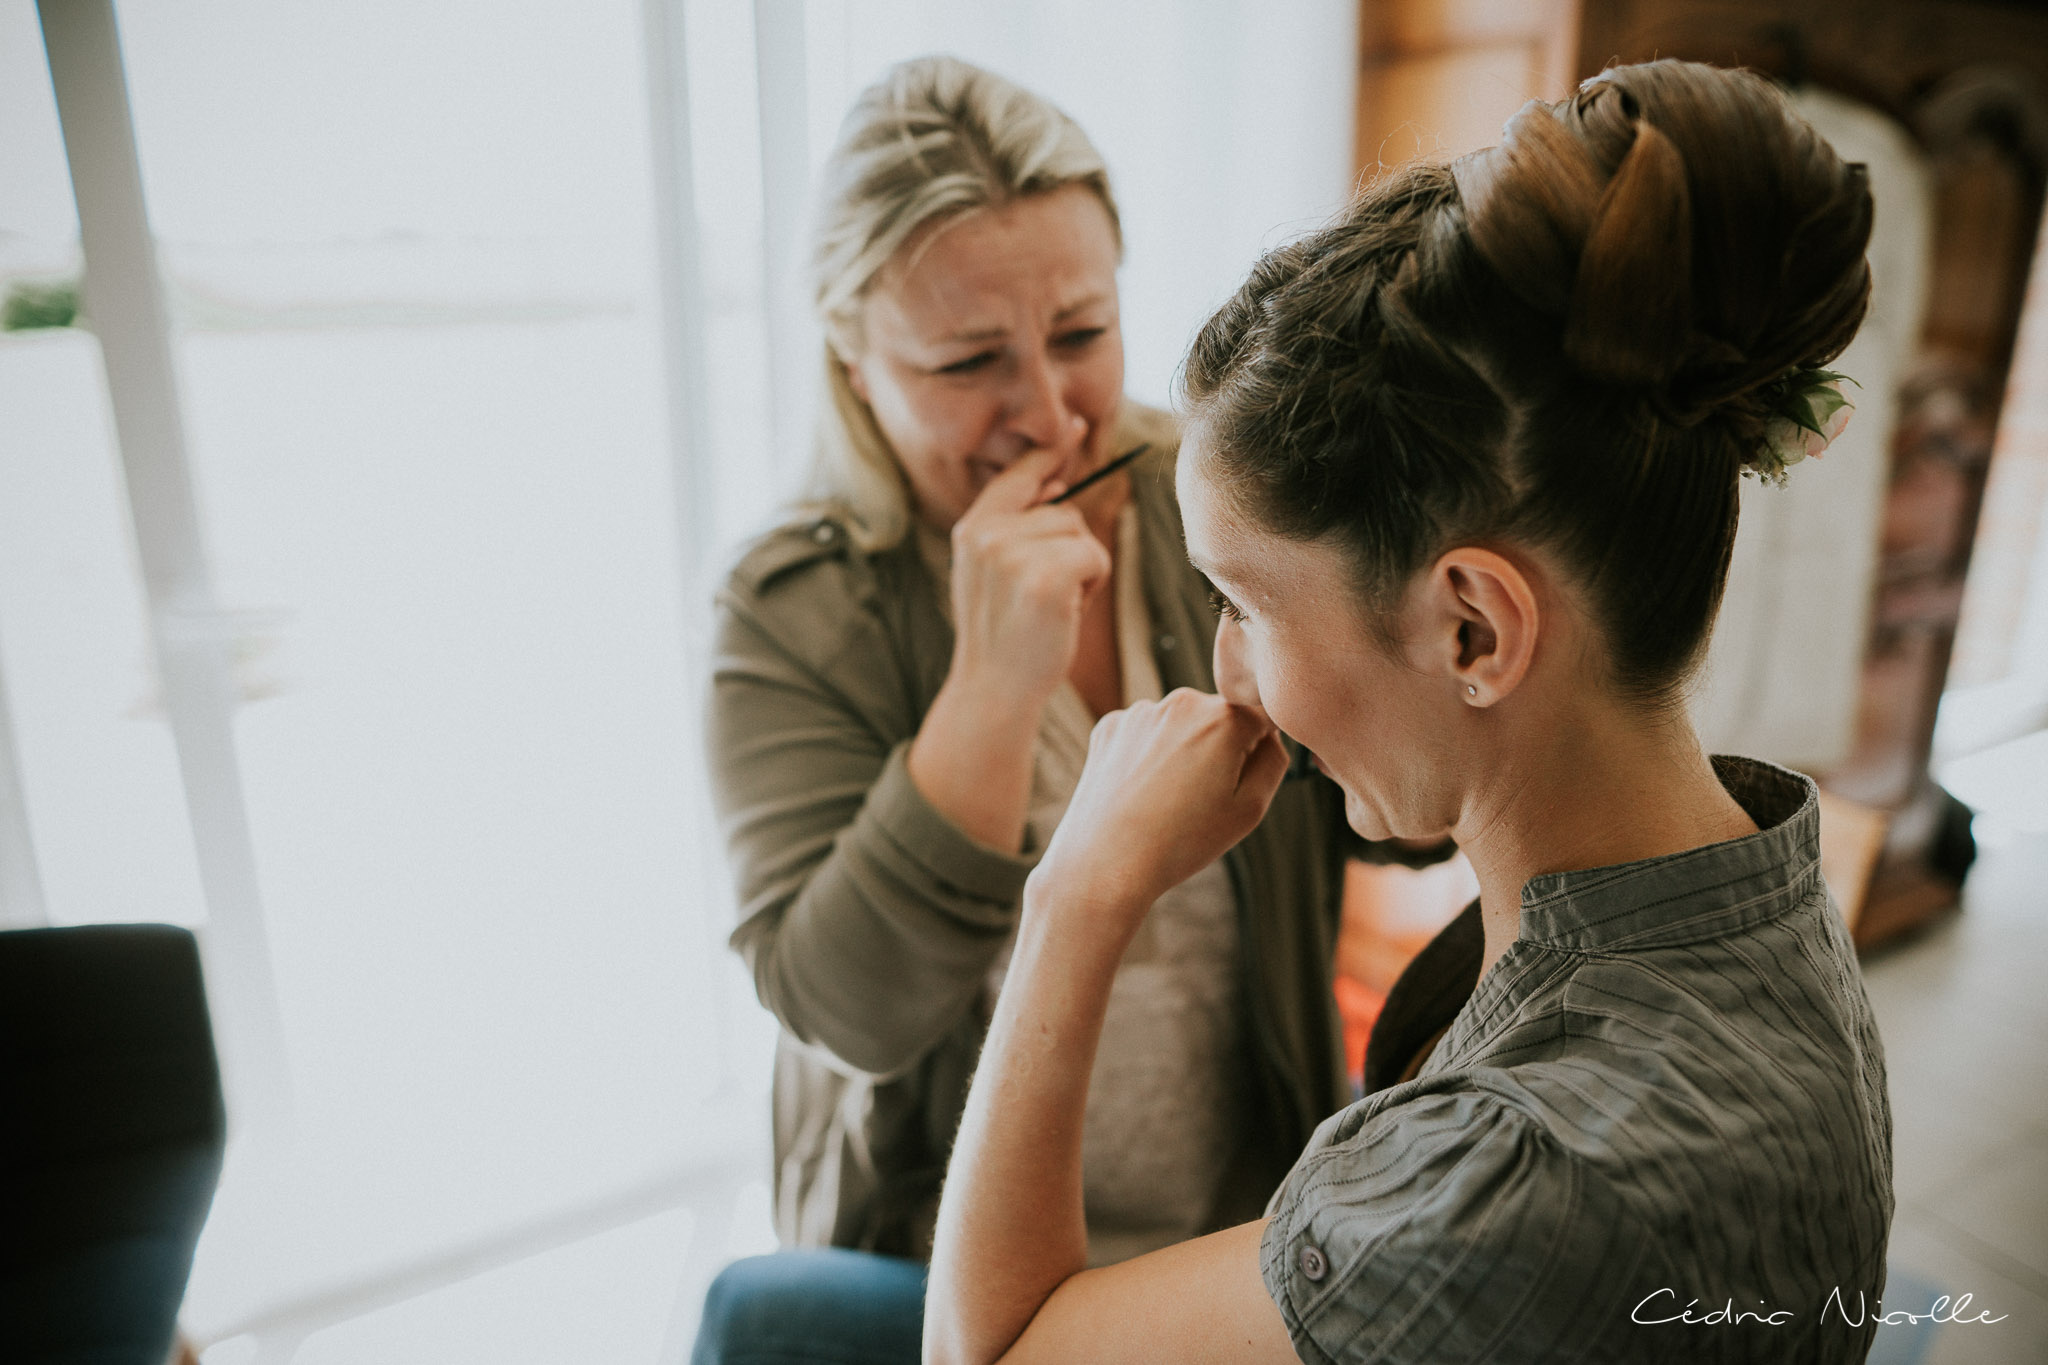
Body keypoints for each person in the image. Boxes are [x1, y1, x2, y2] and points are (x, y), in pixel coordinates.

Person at [922, 59, 1893, 1365]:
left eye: (1251, 604)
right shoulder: (1765, 894)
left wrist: (1077, 893)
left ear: (1473, 627)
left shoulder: (1514, 1192)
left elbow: (984, 1354)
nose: (1231, 675)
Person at [694, 56, 1389, 1364]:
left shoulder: (1216, 496)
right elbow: (847, 1005)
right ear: (851, 355)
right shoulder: (784, 604)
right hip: (939, 1258)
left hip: (1238, 1208)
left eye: (1081, 332)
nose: (1051, 412)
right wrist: (993, 687)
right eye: (968, 361)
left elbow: (1387, 813)